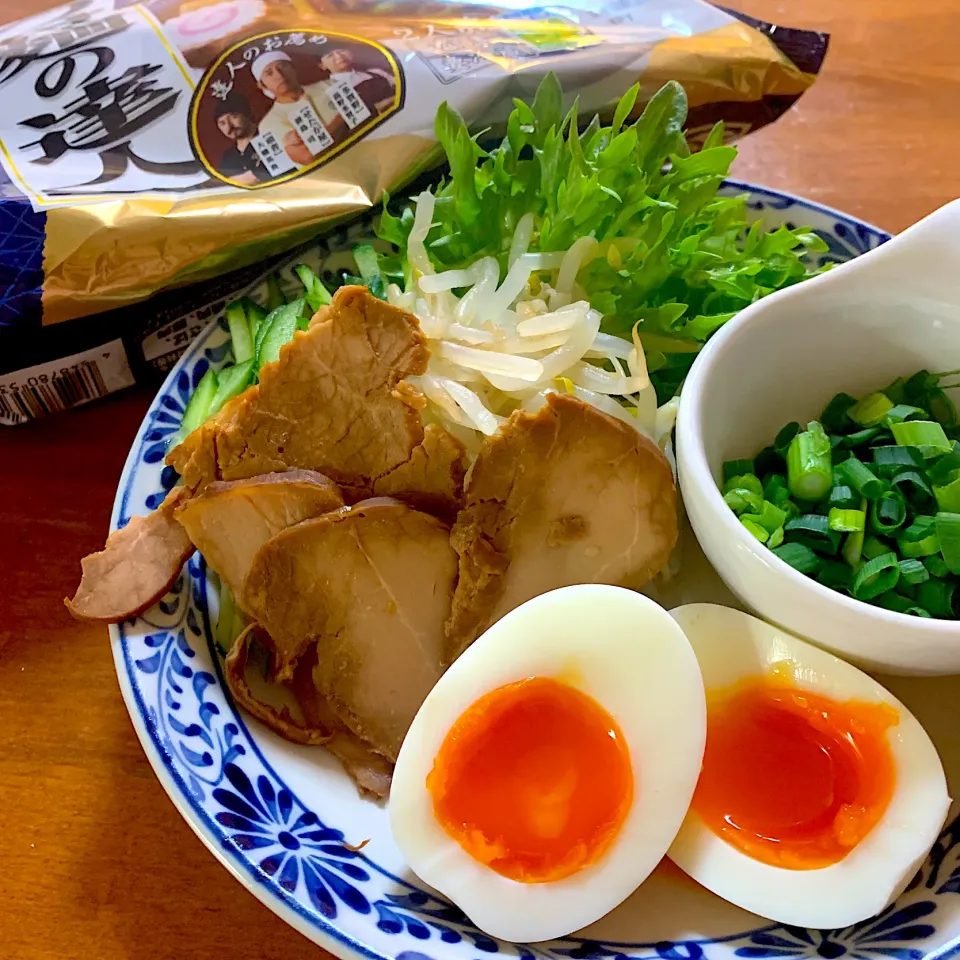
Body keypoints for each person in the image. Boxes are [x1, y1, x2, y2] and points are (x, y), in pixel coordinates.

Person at [252, 50, 346, 168]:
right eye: (269, 73)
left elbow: (366, 116)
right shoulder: (269, 123)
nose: (279, 75)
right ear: (262, 85)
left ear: (294, 68)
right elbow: (307, 157)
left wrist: (320, 142)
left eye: (283, 67)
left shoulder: (330, 85)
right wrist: (343, 116)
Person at [213, 93, 271, 185]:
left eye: (233, 117)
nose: (229, 126)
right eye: (222, 123)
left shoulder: (270, 138)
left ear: (247, 113)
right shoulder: (227, 158)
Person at [319, 47, 396, 115]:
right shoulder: (331, 91)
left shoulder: (376, 72)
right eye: (330, 55)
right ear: (322, 66)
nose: (339, 56)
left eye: (342, 50)